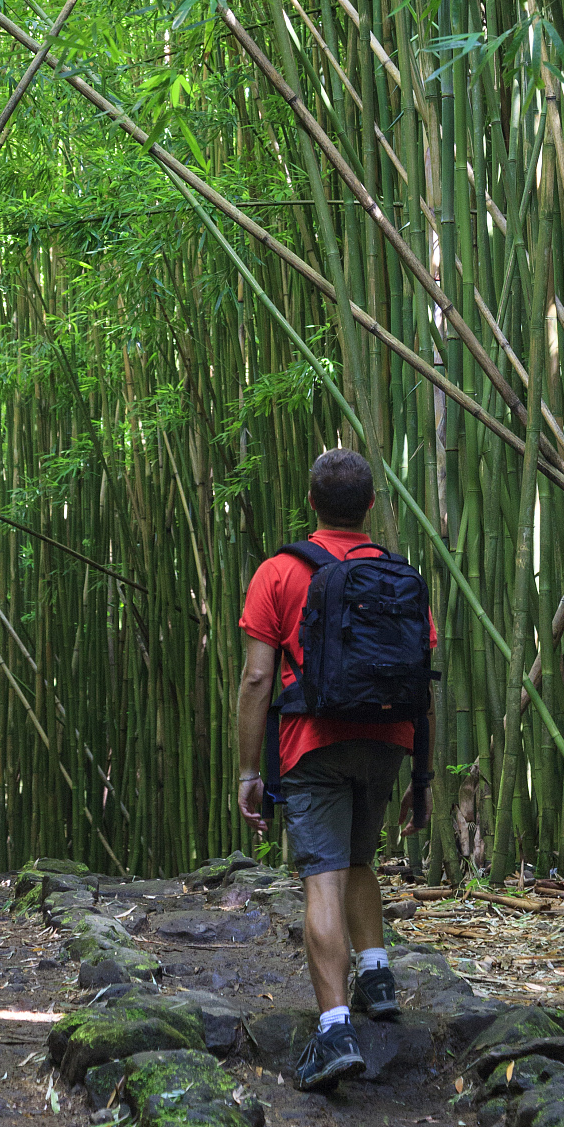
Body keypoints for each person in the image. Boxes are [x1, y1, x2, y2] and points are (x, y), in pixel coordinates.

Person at [236, 447, 436, 1092]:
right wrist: (424, 775)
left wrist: (248, 770)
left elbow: (258, 676)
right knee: (359, 859)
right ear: (372, 505)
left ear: (313, 503)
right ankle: (376, 974)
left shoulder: (279, 571)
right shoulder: (397, 572)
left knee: (321, 875)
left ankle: (334, 1030)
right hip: (387, 738)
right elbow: (424, 675)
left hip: (313, 740)